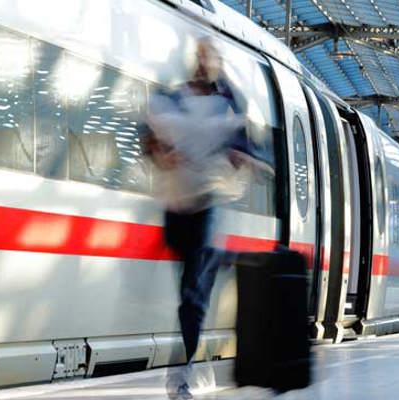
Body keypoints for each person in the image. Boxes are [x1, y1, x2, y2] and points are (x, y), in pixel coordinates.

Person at [144, 37, 264, 399]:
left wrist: (242, 158)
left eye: (208, 58)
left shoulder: (227, 105)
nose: (202, 63)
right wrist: (161, 153)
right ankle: (221, 263)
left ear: (216, 64)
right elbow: (147, 137)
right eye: (198, 57)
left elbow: (250, 147)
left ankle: (184, 369)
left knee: (192, 294)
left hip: (207, 203)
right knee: (189, 288)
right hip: (176, 204)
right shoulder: (171, 98)